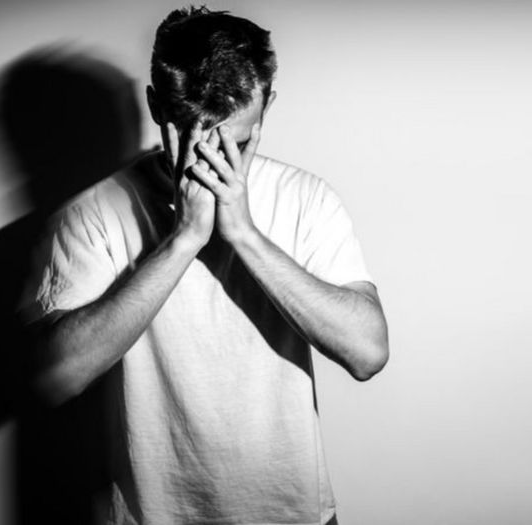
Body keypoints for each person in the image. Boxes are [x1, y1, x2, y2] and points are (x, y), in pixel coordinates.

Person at [23, 7, 389, 524]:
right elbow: (55, 378)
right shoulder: (93, 213)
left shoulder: (306, 198)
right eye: (194, 137)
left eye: (235, 143)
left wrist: (244, 234)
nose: (211, 161)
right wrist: (183, 241)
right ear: (155, 106)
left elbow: (368, 353)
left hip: (291, 514)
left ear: (267, 105)